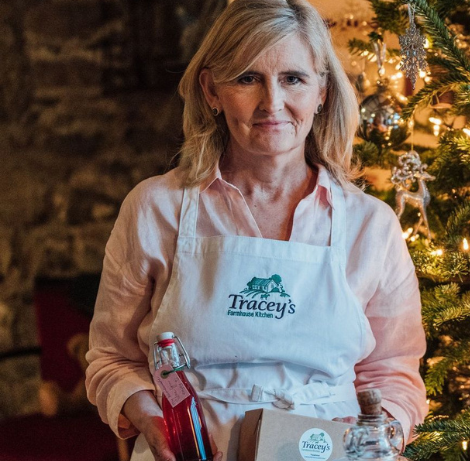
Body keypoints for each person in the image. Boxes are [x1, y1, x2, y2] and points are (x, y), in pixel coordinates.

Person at [84, 1, 428, 459]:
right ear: (211, 90)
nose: (273, 103)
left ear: (322, 91)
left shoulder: (371, 225)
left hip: (324, 453)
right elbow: (111, 360)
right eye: (248, 78)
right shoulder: (155, 208)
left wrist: (377, 437)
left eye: (293, 79)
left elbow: (394, 372)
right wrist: (149, 417)